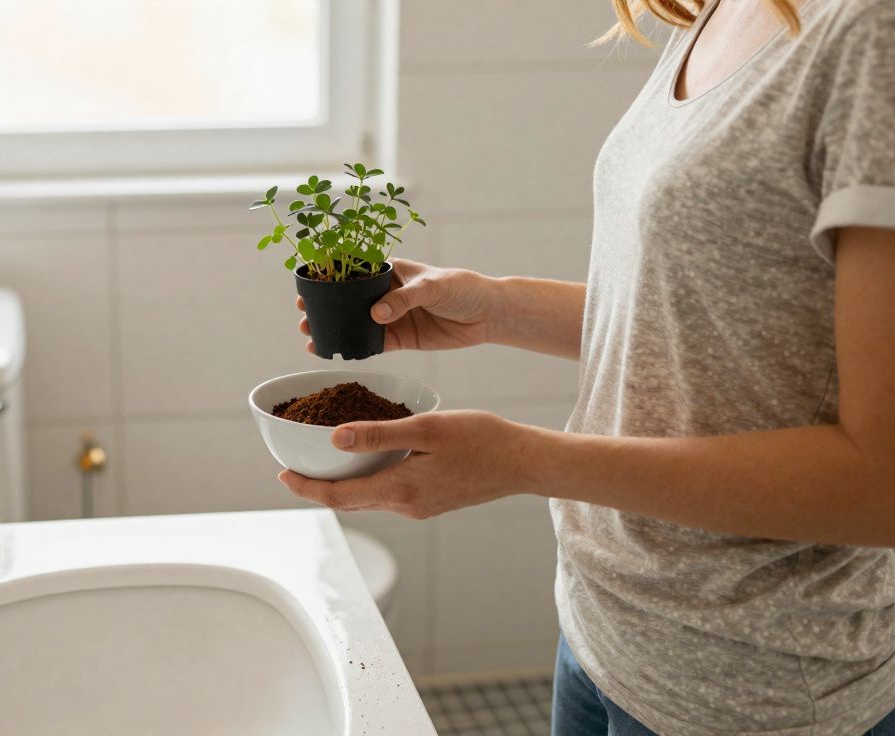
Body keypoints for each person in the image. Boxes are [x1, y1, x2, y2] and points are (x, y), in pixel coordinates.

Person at [277, 0, 895, 732]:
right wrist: (498, 307)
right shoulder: (718, 9)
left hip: (748, 685)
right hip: (606, 629)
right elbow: (719, 331)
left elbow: (879, 484)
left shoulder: (870, 35)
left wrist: (525, 461)